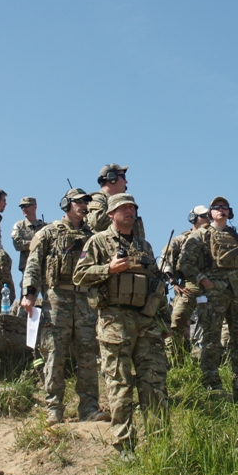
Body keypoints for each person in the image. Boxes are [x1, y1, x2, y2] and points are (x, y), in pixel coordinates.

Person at [72, 193, 167, 457]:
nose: (128, 211)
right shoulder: (98, 242)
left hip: (146, 322)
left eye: (132, 208)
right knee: (120, 383)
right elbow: (79, 276)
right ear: (111, 214)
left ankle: (160, 444)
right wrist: (108, 269)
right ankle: (125, 445)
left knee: (154, 381)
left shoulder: (144, 246)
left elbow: (155, 282)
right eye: (123, 208)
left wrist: (164, 318)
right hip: (114, 321)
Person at [21, 188, 106, 424]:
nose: (84, 205)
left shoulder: (94, 236)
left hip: (85, 300)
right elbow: (34, 264)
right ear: (66, 204)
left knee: (87, 354)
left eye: (86, 202)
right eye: (79, 201)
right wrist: (29, 293)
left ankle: (89, 408)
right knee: (54, 354)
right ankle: (54, 409)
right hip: (56, 298)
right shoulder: (49, 232)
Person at [176, 196, 238, 399]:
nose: (221, 210)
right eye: (216, 207)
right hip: (212, 294)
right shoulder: (200, 235)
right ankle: (212, 384)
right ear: (210, 213)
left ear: (230, 212)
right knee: (211, 340)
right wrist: (204, 281)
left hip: (237, 295)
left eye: (225, 207)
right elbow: (185, 263)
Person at [162, 205, 211, 358]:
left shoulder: (214, 239)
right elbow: (165, 261)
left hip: (211, 289)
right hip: (188, 287)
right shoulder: (180, 240)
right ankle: (174, 361)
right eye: (203, 216)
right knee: (177, 325)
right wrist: (174, 283)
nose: (207, 219)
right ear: (193, 218)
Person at [86, 164, 145, 239]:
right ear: (112, 178)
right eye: (123, 177)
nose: (126, 182)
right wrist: (122, 218)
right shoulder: (98, 199)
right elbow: (98, 222)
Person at [10, 196, 47, 277]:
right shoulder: (19, 226)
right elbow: (18, 245)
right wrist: (37, 242)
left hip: (44, 266)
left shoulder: (45, 226)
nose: (24, 209)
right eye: (22, 207)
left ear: (35, 207)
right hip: (28, 266)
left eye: (26, 206)